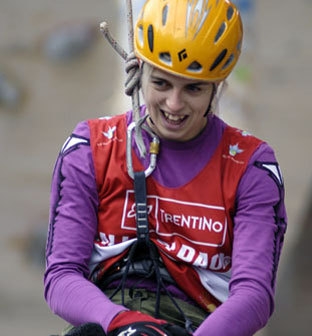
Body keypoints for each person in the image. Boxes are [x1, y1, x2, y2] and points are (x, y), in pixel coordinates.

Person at [44, 0, 287, 335]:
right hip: (106, 321)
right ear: (138, 70)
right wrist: (123, 324)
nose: (174, 104)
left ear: (218, 86)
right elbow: (61, 277)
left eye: (193, 88)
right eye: (161, 83)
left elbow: (254, 295)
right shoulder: (91, 148)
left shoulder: (252, 167)